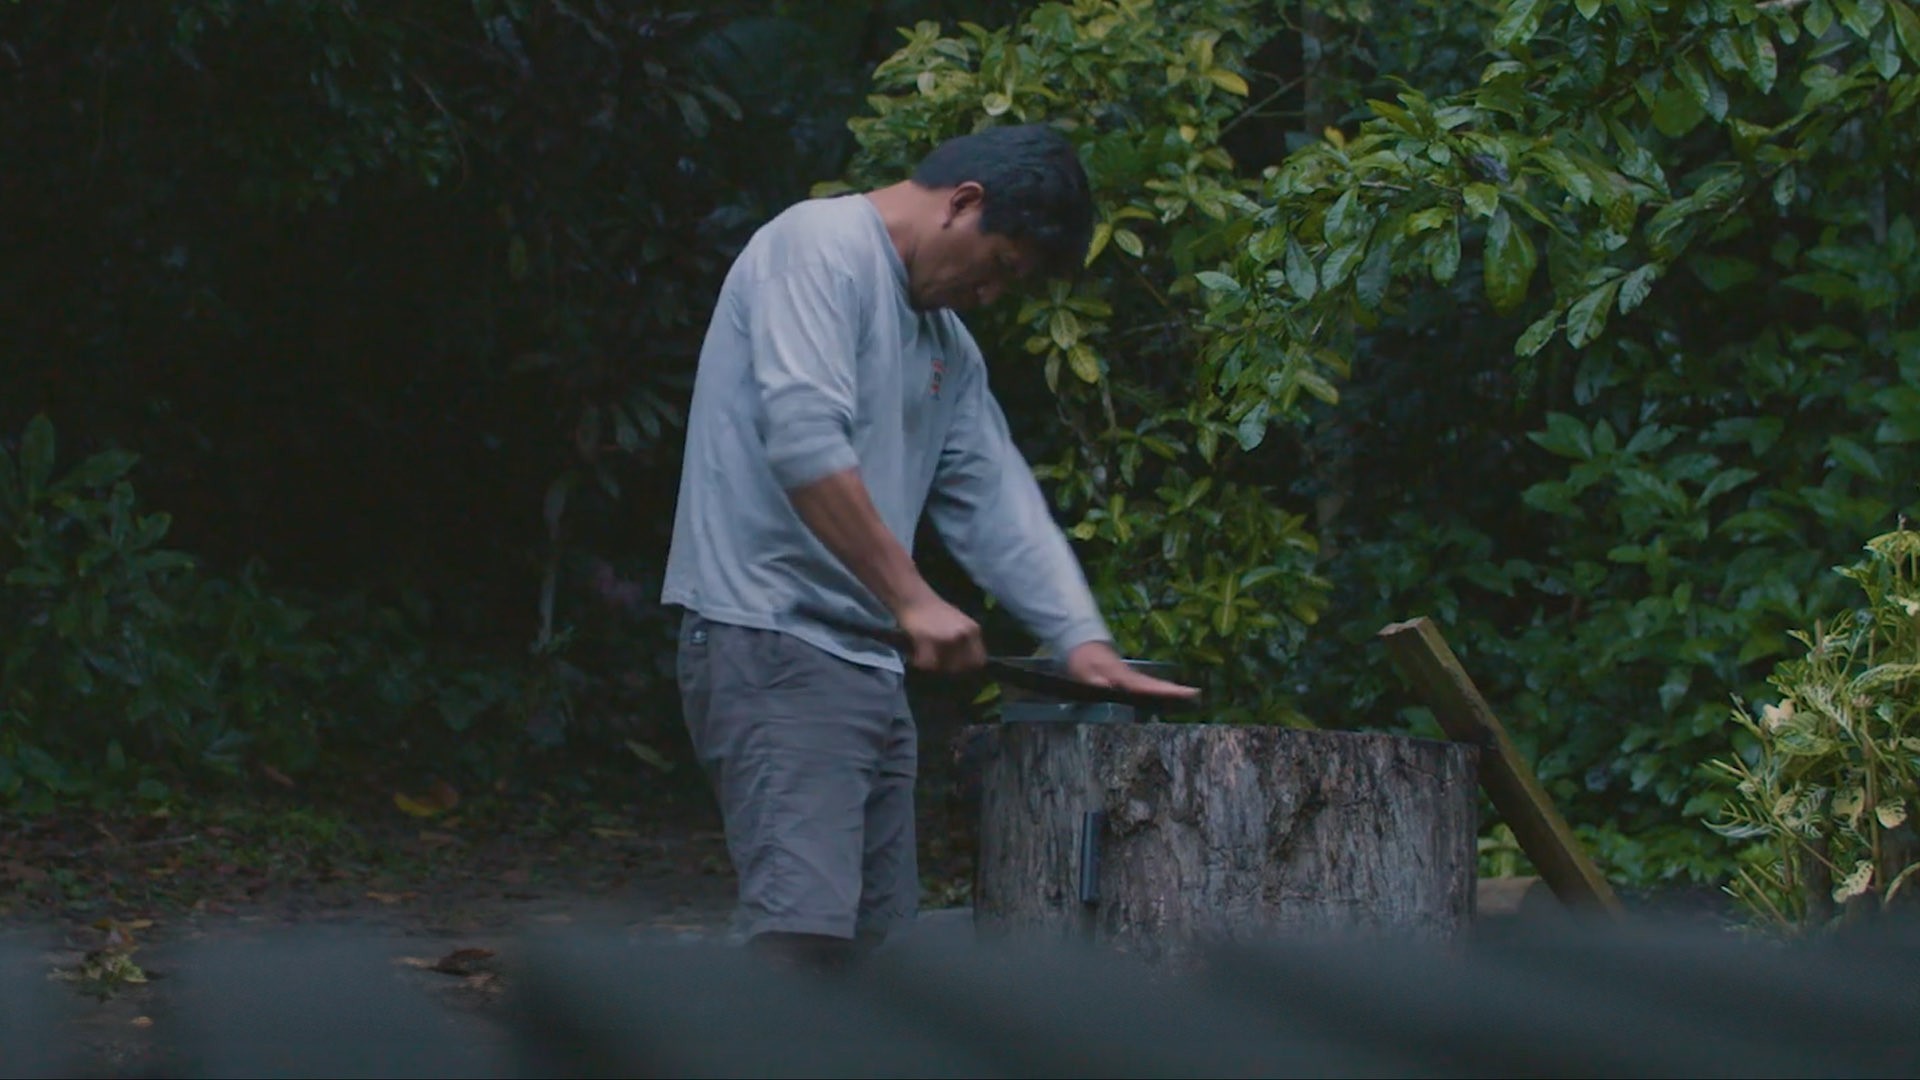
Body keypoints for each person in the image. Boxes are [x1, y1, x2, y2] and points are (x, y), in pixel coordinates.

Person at [661, 122, 1199, 971]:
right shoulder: (817, 247)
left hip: (867, 664)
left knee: (878, 952)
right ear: (964, 203)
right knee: (799, 940)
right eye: (999, 269)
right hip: (773, 641)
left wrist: (1080, 640)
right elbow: (802, 441)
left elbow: (996, 498)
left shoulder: (948, 347)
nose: (989, 296)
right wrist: (912, 597)